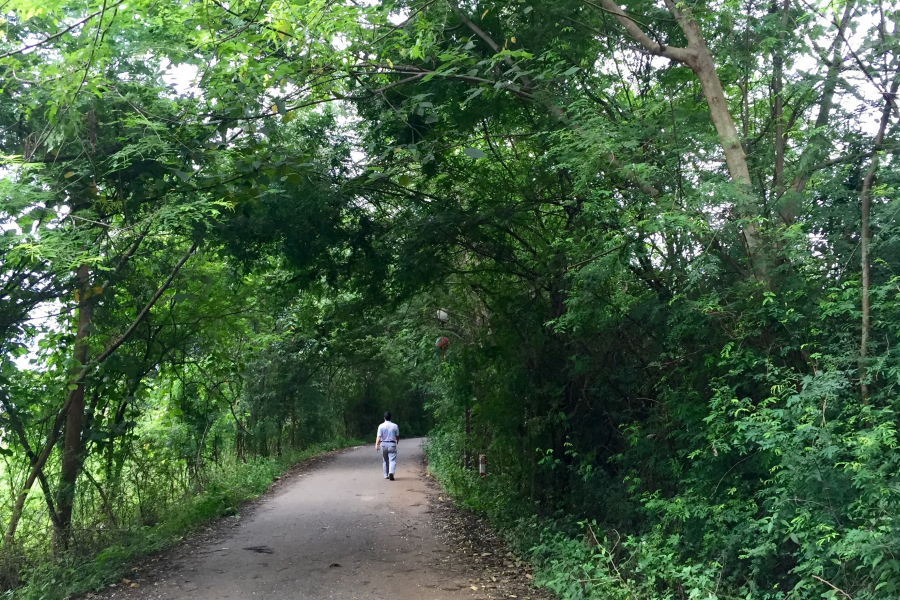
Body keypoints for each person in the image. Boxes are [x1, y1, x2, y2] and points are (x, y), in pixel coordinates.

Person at [376, 412, 400, 481]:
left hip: (383, 444)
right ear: (390, 418)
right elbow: (397, 436)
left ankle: (386, 475)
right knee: (392, 460)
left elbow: (379, 437)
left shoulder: (381, 426)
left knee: (385, 460)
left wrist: (376, 444)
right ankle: (391, 472)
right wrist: (397, 441)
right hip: (392, 444)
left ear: (384, 418)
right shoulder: (395, 426)